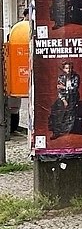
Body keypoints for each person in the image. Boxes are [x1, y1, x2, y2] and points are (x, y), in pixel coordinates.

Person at [6, 7, 29, 135]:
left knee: (14, 103)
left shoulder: (19, 29)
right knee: (13, 103)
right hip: (16, 73)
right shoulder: (18, 30)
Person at [48, 61, 81, 139]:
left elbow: (74, 89)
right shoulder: (61, 77)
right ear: (63, 69)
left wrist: (65, 87)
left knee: (69, 111)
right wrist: (63, 100)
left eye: (69, 68)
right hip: (63, 97)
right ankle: (56, 131)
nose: (68, 70)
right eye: (66, 68)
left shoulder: (76, 77)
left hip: (73, 97)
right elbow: (59, 90)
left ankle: (66, 130)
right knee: (55, 109)